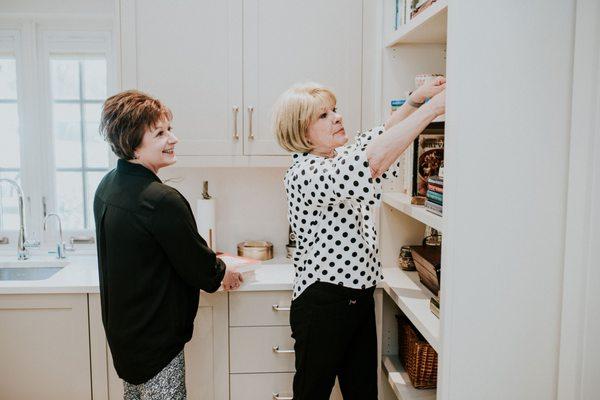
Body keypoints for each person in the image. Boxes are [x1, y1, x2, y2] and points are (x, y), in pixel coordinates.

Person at [273, 79, 446, 400]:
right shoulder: (305, 172)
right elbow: (372, 160)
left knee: (363, 392)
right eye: (323, 116)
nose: (337, 117)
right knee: (312, 393)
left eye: (334, 110)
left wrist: (415, 102)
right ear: (301, 131)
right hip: (324, 303)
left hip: (358, 298)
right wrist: (434, 109)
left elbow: (380, 136)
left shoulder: (335, 156)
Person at [94, 90, 243, 400]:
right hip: (156, 342)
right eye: (160, 133)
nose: (173, 139)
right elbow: (200, 268)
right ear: (133, 143)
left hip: (125, 336)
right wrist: (223, 272)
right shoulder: (161, 200)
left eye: (169, 129)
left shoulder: (108, 185)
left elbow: (157, 249)